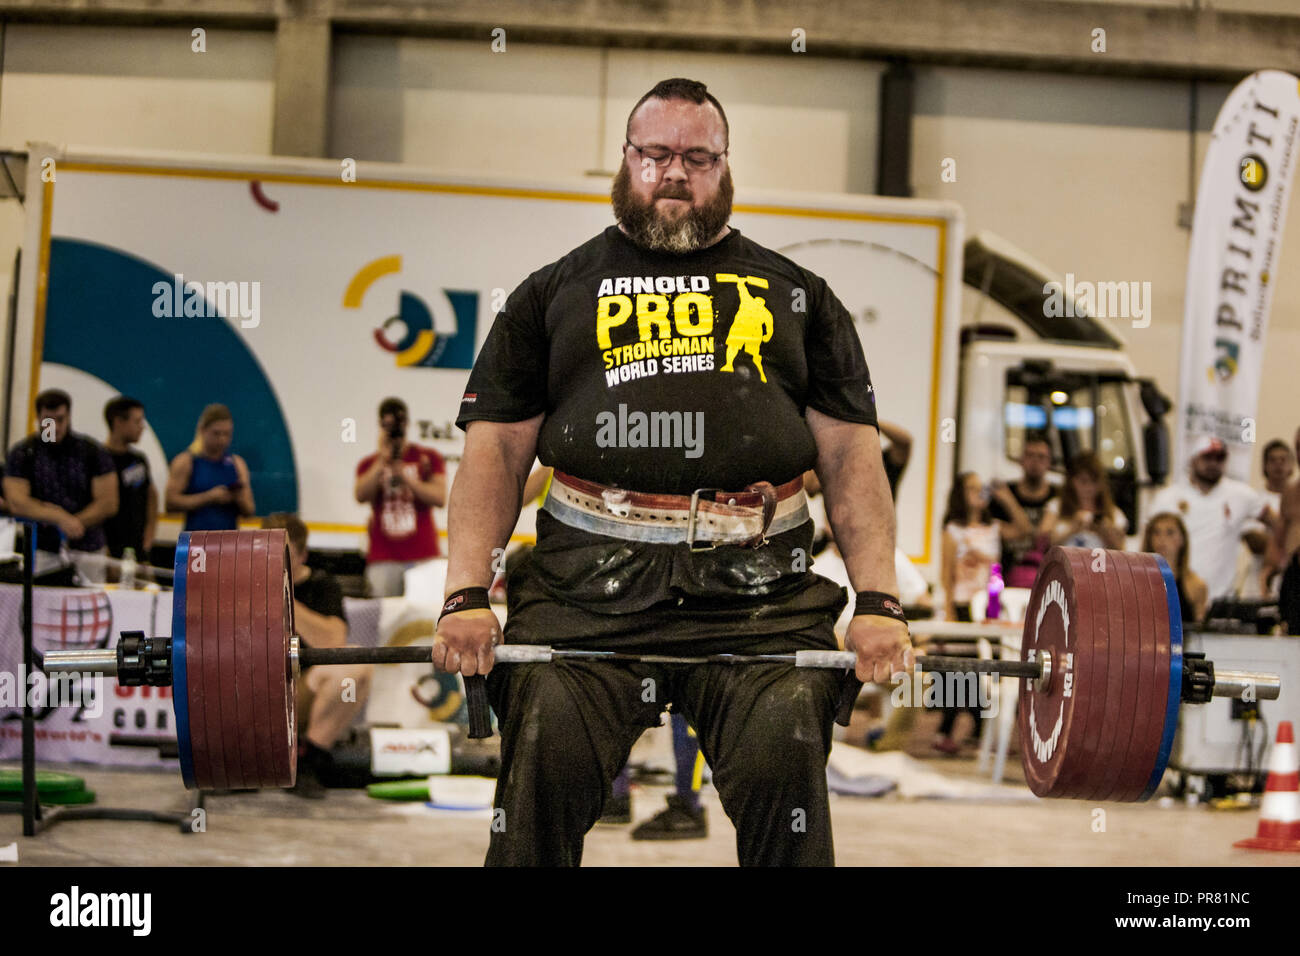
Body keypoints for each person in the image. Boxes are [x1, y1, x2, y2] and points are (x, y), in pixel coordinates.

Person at [436, 77, 911, 867]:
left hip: (762, 596)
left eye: (697, 157)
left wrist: (882, 602)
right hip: (584, 595)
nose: (674, 174)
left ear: (726, 170)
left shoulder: (800, 297)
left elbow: (852, 457)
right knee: (542, 750)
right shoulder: (550, 295)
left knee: (785, 750)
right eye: (655, 154)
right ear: (625, 163)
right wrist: (464, 593)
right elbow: (494, 454)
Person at [263, 513, 371, 799]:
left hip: (299, 690)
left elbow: (334, 643)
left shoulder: (323, 586)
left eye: (282, 554)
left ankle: (310, 759)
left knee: (356, 666)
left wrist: (282, 598)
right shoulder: (245, 586)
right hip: (257, 693)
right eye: (267, 553)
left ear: (302, 555)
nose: (274, 561)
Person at [936, 472, 1032, 753]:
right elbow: (946, 574)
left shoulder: (994, 528)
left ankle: (981, 731)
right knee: (957, 668)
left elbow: (1025, 531)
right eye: (971, 488)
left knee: (985, 667)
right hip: (964, 604)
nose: (978, 493)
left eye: (981, 489)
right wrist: (950, 610)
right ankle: (947, 729)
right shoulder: (952, 530)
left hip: (991, 604)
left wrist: (1008, 499)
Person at [3, 389, 118, 571]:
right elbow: (17, 502)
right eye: (48, 420)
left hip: (88, 547)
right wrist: (59, 517)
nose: (54, 427)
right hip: (43, 548)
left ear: (69, 417)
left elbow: (108, 502)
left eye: (60, 419)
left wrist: (74, 522)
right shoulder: (24, 453)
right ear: (38, 418)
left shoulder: (91, 451)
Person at [1150, 436, 1272, 602]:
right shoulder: (1167, 498)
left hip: (1221, 600)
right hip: (1176, 598)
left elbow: (1280, 522)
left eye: (1219, 458)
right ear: (1193, 459)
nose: (1213, 463)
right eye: (1207, 457)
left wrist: (1272, 564)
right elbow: (1148, 546)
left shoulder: (1242, 495)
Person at [354, 397, 447, 597]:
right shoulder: (370, 463)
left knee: (424, 618)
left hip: (423, 555)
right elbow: (361, 495)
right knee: (384, 620)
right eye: (387, 425)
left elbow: (439, 497)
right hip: (383, 557)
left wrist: (406, 476)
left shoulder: (428, 458)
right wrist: (382, 460)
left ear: (407, 424)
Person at [166, 404, 255, 531]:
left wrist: (238, 497)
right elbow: (170, 503)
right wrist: (208, 497)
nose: (222, 439)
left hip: (229, 543)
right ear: (202, 430)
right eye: (216, 433)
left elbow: (250, 510)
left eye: (227, 434)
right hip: (196, 543)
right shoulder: (186, 461)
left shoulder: (237, 464)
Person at [988, 434, 1057, 588]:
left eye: (1041, 457)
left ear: (1049, 462)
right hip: (1006, 577)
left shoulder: (1058, 498)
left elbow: (1038, 535)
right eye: (1030, 455)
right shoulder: (1002, 496)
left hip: (1048, 579)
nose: (1035, 462)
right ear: (1021, 460)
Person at [102, 396, 157, 562]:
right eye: (137, 421)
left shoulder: (139, 460)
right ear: (118, 422)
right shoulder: (98, 459)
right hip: (109, 551)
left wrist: (148, 541)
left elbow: (151, 498)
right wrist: (104, 550)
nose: (142, 427)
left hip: (138, 553)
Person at [1039, 452, 1126, 551]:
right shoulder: (1056, 506)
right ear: (1072, 481)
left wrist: (1104, 533)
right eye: (1083, 481)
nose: (1089, 487)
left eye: (1094, 481)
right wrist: (1072, 529)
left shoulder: (1115, 513)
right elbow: (1042, 543)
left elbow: (1122, 552)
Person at [1142, 512, 1209, 626]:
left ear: (1182, 540)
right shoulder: (1139, 582)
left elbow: (1199, 634)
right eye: (1156, 533)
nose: (1162, 539)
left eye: (1170, 533)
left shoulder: (1196, 585)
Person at [1250, 439, 1295, 598]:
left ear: (1292, 466)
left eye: (1283, 460)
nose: (1278, 465)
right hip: (1260, 583)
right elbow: (1254, 541)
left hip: (1292, 583)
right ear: (1264, 466)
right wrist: (1284, 538)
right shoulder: (1255, 501)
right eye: (1273, 460)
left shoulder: (1296, 501)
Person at [1271, 428, 1300, 634]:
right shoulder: (1290, 492)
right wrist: (1267, 575)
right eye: (1299, 447)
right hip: (1294, 581)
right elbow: (1278, 542)